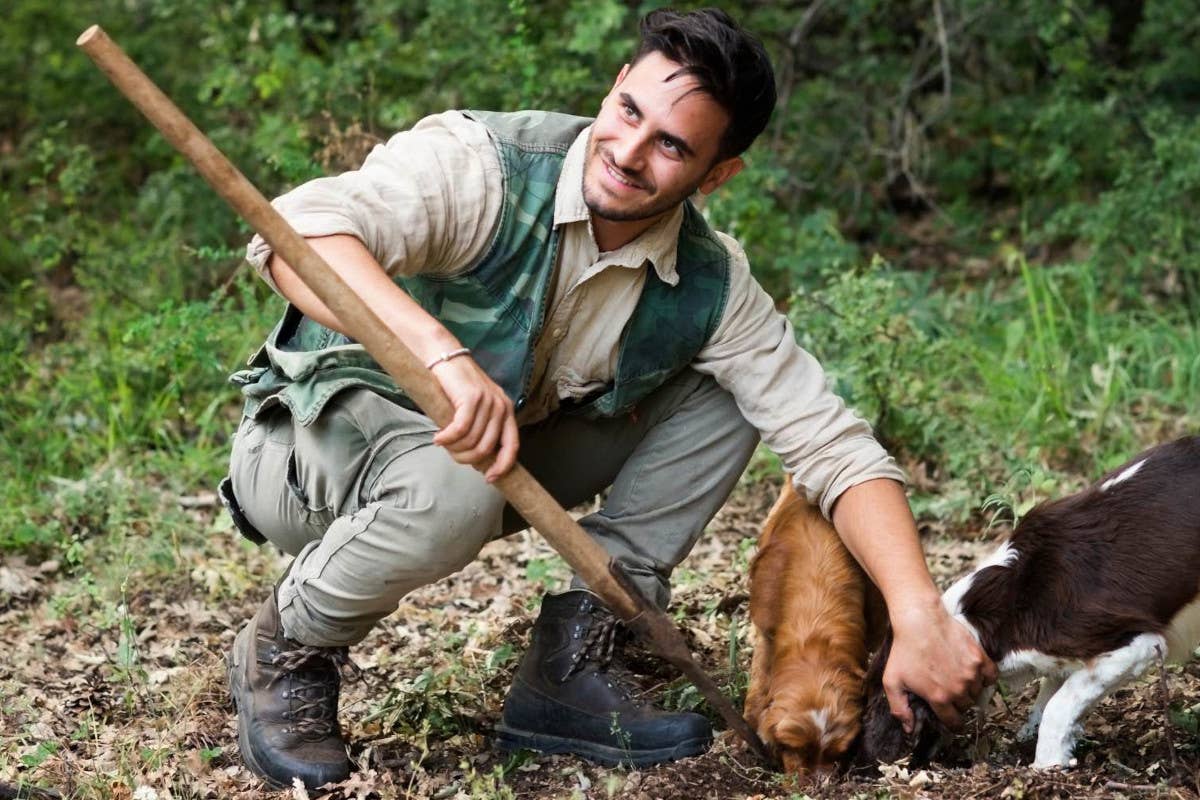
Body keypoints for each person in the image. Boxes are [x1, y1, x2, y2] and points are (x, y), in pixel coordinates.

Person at [220, 7, 995, 789]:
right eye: (629, 112)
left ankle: (573, 656)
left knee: (727, 390)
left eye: (672, 145)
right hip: (309, 454)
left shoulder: (711, 281)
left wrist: (919, 612)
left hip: (486, 463)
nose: (627, 153)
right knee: (448, 486)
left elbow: (833, 447)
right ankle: (287, 647)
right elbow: (296, 234)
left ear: (717, 173)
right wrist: (439, 353)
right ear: (615, 85)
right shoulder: (485, 164)